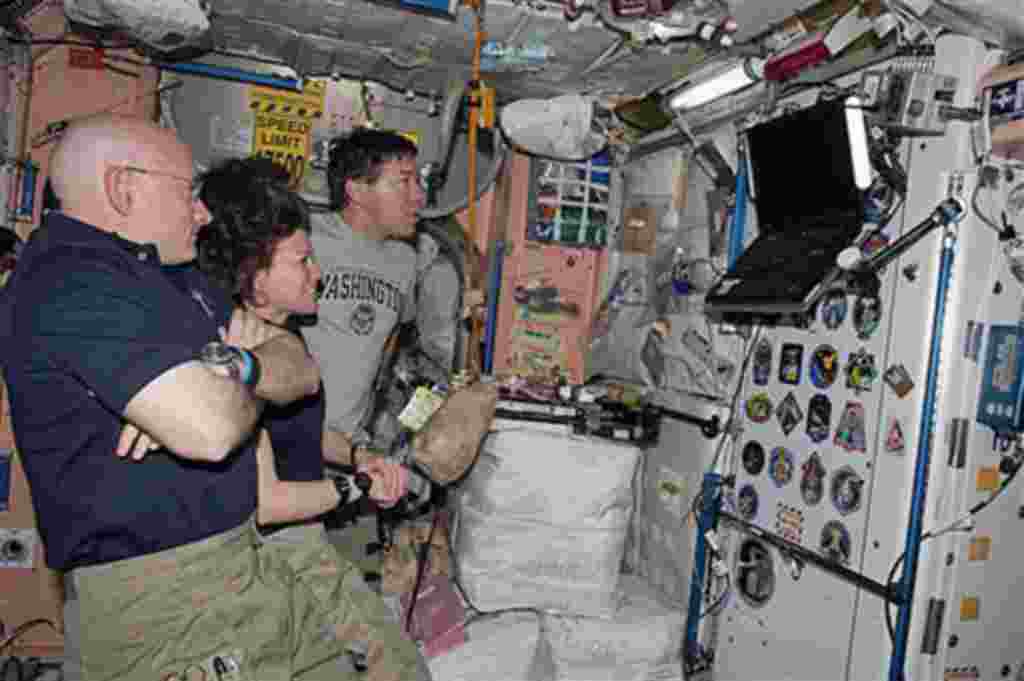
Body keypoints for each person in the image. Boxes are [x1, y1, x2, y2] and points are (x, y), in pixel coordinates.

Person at [1, 115, 422, 681]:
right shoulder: (70, 281)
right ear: (123, 186)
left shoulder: (173, 280)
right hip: (168, 602)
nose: (200, 213)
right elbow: (210, 428)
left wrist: (232, 367)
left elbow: (298, 368)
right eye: (185, 191)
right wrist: (223, 387)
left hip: (240, 566)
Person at [193, 155, 429, 678]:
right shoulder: (241, 354)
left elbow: (298, 434)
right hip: (274, 546)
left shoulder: (283, 340)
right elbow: (267, 502)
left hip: (303, 532)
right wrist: (360, 487)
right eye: (302, 262)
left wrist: (355, 453)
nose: (317, 275)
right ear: (254, 275)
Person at [303, 128, 424, 462]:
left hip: (349, 449)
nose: (419, 197)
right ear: (356, 189)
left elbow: (385, 350)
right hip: (289, 443)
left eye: (419, 182)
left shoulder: (406, 261)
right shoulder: (306, 238)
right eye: (404, 182)